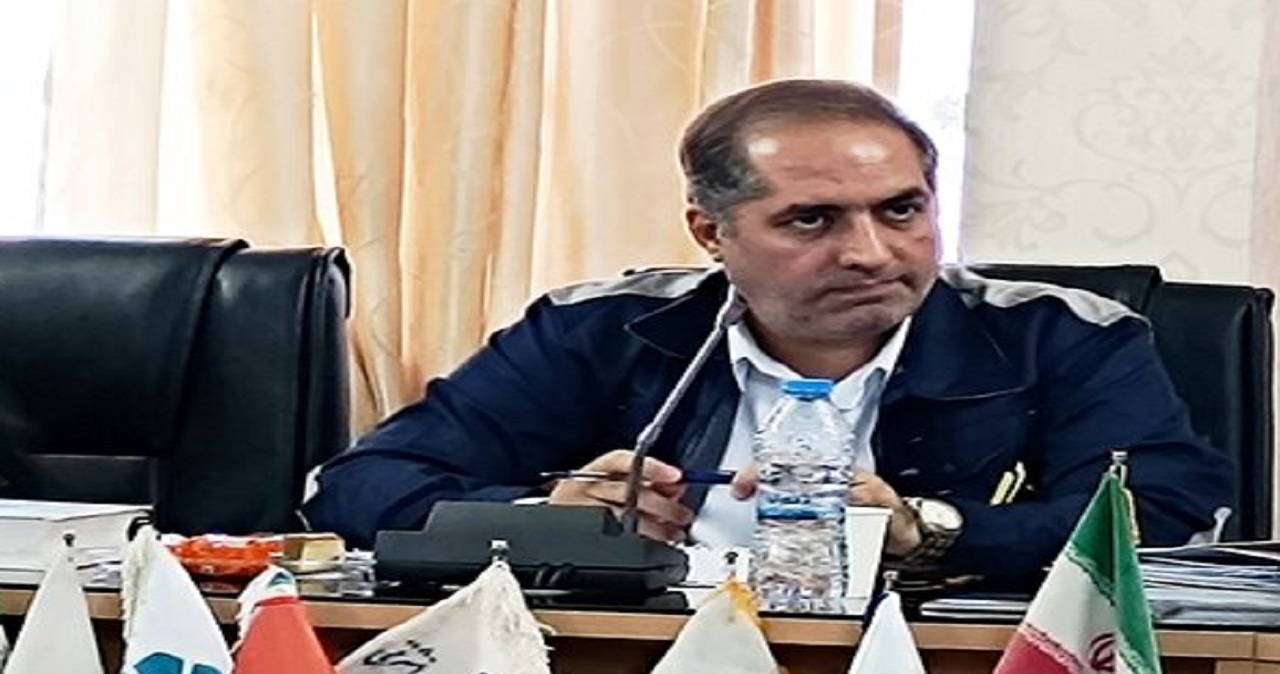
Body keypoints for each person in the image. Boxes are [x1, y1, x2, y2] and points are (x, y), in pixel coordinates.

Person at [303, 78, 1231, 590]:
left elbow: (1162, 518)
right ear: (711, 232)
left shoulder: (1061, 337)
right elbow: (358, 487)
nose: (870, 252)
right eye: (812, 220)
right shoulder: (604, 329)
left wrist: (930, 531)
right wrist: (536, 519)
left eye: (901, 210)